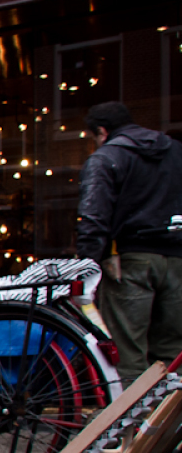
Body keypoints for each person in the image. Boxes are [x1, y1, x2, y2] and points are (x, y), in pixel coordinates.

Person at [76, 101, 182, 384]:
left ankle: (134, 425)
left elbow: (94, 216)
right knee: (174, 354)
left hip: (132, 260)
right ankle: (171, 425)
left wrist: (87, 269)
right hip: (177, 258)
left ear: (101, 131)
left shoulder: (107, 157)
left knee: (128, 355)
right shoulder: (176, 151)